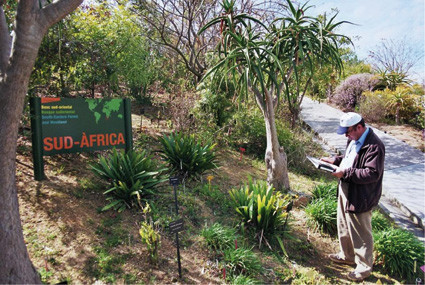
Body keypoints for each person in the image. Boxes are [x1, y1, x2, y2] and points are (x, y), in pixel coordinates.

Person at [321, 112, 385, 282]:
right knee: (343, 224)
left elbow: (371, 173)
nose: (346, 135)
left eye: (348, 131)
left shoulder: (374, 146)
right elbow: (350, 159)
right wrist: (334, 161)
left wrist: (345, 173)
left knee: (360, 231)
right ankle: (347, 255)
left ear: (359, 127)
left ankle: (364, 268)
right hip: (346, 187)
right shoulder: (354, 139)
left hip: (361, 194)